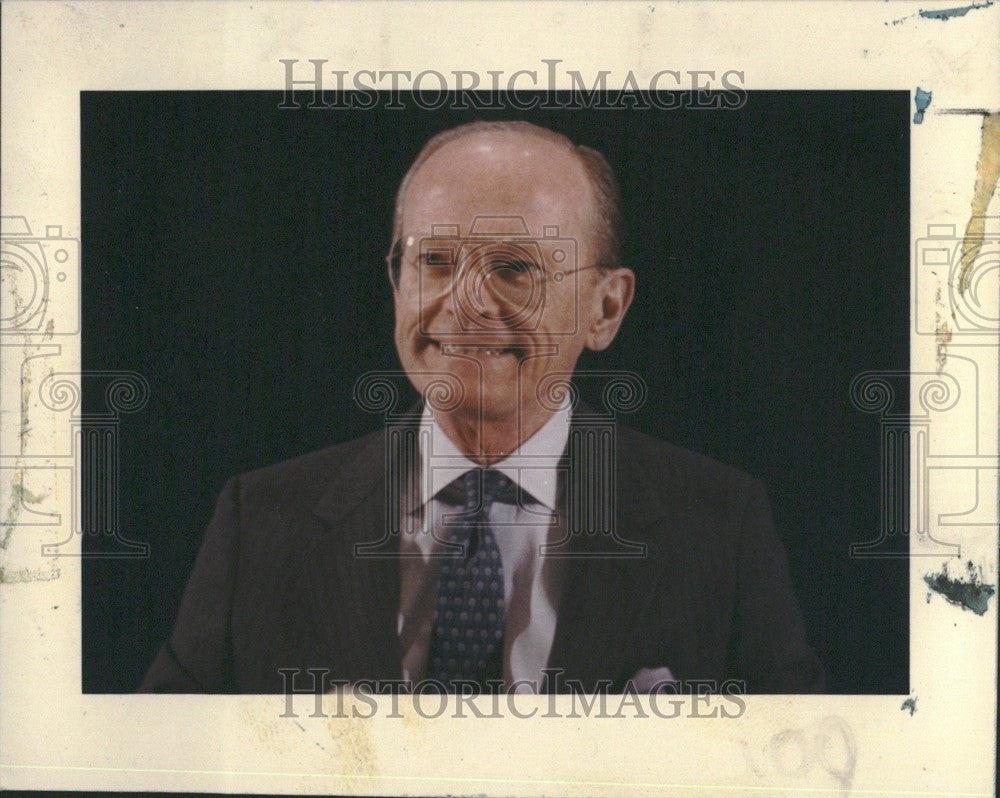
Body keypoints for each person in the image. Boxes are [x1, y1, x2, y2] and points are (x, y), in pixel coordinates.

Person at [140, 120, 823, 695]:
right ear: (395, 281)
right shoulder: (261, 523)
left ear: (605, 308)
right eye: (435, 260)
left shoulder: (718, 528)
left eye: (515, 268)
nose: (464, 303)